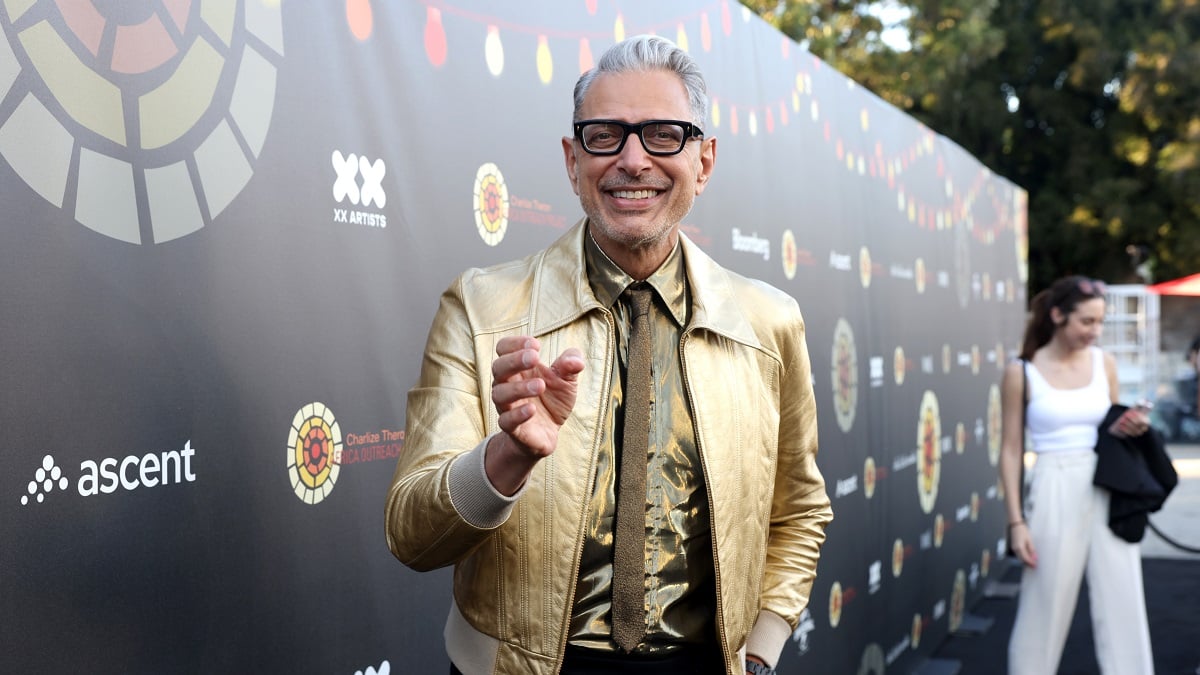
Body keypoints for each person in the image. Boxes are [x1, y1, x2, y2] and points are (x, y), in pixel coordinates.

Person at [386, 35, 832, 675]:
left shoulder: (769, 323)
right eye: (605, 135)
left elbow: (798, 510)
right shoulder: (481, 310)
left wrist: (760, 649)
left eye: (664, 135)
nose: (632, 159)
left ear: (704, 161)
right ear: (573, 161)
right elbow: (411, 534)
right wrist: (506, 459)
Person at [998, 275, 1155, 674]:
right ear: (1057, 315)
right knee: (1043, 602)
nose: (1095, 331)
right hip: (1053, 481)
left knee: (1124, 599)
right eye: (1086, 321)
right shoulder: (1021, 371)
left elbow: (1111, 431)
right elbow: (1011, 450)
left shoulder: (1105, 363)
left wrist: (1132, 427)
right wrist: (1016, 522)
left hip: (1107, 482)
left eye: (1099, 322)